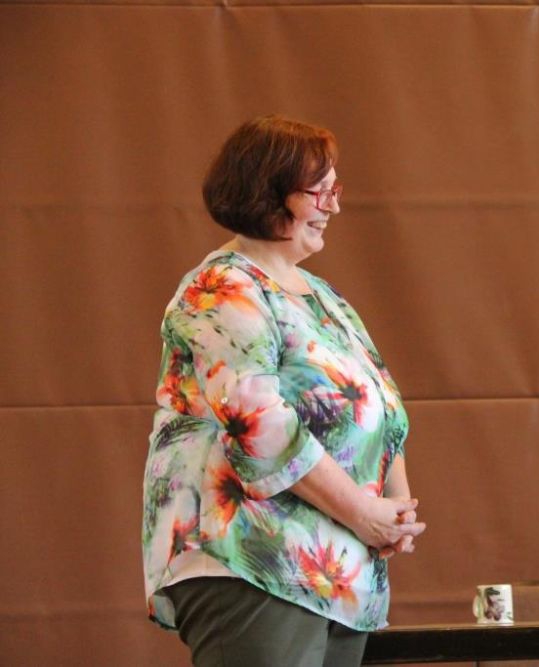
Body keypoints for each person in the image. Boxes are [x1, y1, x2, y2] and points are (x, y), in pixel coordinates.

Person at [142, 115, 426, 667]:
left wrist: (392, 510)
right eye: (319, 191)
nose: (333, 206)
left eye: (335, 190)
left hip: (339, 576)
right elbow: (260, 425)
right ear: (267, 193)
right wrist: (362, 513)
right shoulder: (222, 287)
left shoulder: (324, 298)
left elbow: (384, 412)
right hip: (252, 560)